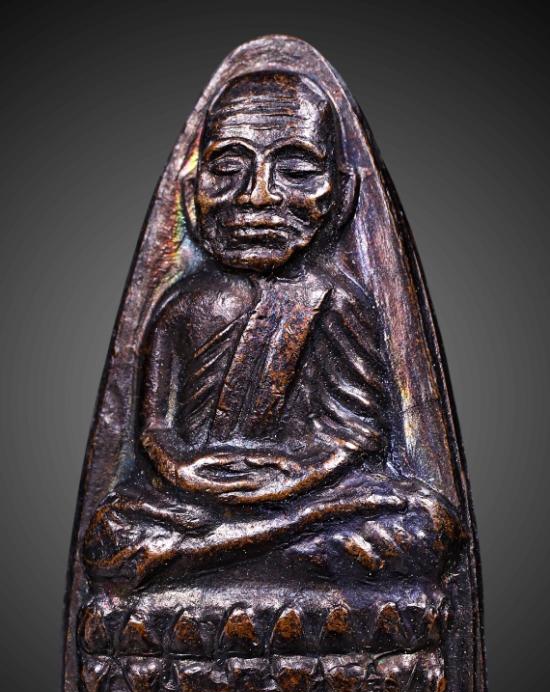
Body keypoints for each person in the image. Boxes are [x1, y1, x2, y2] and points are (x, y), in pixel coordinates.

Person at [83, 72, 460, 587]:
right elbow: (153, 429)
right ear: (192, 191)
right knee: (111, 531)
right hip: (196, 496)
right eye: (228, 169)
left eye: (296, 171)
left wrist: (296, 477)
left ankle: (213, 554)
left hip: (312, 492)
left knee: (426, 526)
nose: (257, 196)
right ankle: (252, 547)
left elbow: (358, 434)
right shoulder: (182, 303)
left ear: (342, 193)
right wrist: (183, 470)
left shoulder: (337, 301)